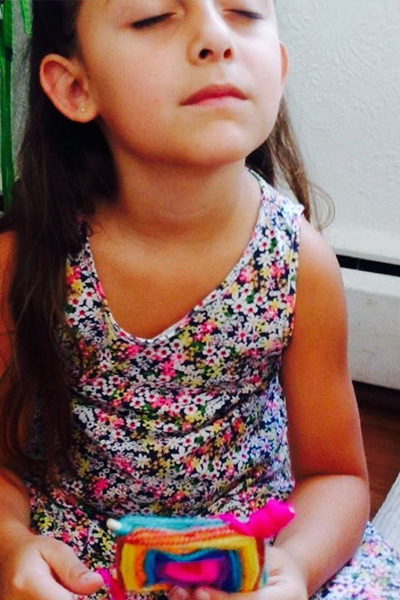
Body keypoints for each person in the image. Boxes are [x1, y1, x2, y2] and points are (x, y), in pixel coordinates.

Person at [0, 1, 399, 599]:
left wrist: (294, 570)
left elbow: (336, 476)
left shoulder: (299, 263)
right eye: (153, 16)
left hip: (255, 548)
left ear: (279, 69)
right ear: (76, 87)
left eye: (242, 10)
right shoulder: (28, 259)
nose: (215, 37)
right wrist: (13, 548)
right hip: (79, 553)